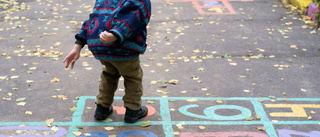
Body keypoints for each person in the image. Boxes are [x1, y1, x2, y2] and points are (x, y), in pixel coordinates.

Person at [63, 0, 152, 123]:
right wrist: (115, 34)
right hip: (122, 47)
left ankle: (102, 107)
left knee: (110, 74)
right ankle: (133, 110)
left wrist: (78, 45)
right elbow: (133, 18)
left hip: (99, 46)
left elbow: (92, 20)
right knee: (132, 76)